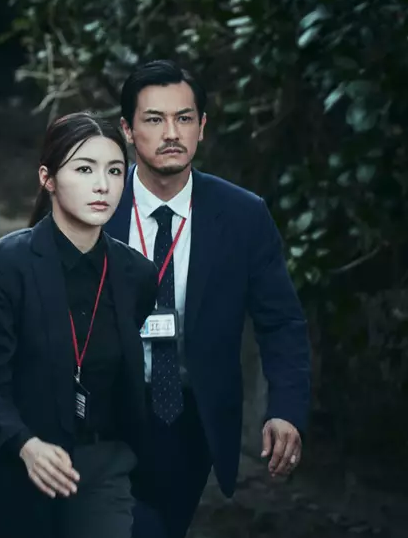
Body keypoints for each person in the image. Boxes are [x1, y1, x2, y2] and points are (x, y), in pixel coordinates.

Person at [105, 60, 311, 538]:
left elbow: (281, 322)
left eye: (184, 118)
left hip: (189, 419)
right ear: (127, 130)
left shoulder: (242, 215)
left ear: (202, 126)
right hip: (104, 417)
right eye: (154, 119)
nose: (171, 133)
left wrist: (285, 409)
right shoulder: (97, 204)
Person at [0, 112, 158, 537]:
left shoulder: (137, 274)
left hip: (101, 466)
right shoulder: (4, 264)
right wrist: (25, 445)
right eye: (84, 169)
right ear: (47, 178)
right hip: (15, 460)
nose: (102, 185)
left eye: (115, 171)